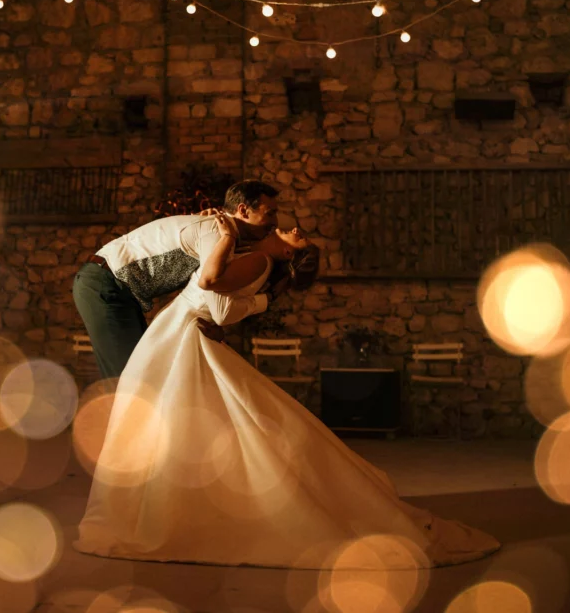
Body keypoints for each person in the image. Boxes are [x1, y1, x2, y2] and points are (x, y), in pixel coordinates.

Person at [74, 227, 500, 570]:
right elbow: (224, 303)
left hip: (180, 338)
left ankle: (164, 513)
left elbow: (215, 301)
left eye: (298, 237)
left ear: (286, 255)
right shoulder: (254, 258)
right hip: (176, 337)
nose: (293, 227)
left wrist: (221, 246)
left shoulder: (258, 259)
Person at [72, 179, 279, 379]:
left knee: (139, 374)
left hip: (119, 289)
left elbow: (208, 295)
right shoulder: (218, 230)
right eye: (270, 214)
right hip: (105, 283)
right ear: (243, 210)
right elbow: (210, 282)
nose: (275, 222)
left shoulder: (222, 233)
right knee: (128, 379)